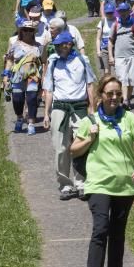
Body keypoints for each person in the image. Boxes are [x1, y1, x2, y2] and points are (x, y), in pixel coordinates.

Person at [71, 74, 134, 267]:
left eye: (118, 93)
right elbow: (73, 150)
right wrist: (89, 138)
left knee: (118, 234)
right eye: (110, 93)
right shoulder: (91, 121)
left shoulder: (130, 119)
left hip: (125, 186)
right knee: (100, 230)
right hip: (99, 184)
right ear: (101, 96)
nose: (115, 97)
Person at [43, 31, 96, 200]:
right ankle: (65, 184)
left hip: (79, 108)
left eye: (60, 45)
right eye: (56, 46)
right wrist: (46, 113)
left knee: (81, 146)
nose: (58, 48)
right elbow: (49, 90)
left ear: (69, 44)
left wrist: (92, 108)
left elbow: (90, 85)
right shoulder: (53, 62)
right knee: (60, 148)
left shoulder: (82, 60)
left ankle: (81, 183)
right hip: (59, 108)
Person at [2, 21, 43, 135]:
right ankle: (19, 118)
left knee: (32, 98)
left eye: (30, 30)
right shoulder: (15, 45)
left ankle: (31, 124)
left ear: (34, 32)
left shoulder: (39, 46)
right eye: (25, 30)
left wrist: (44, 78)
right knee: (17, 99)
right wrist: (6, 76)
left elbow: (44, 62)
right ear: (21, 31)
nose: (27, 32)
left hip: (33, 76)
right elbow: (9, 61)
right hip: (17, 76)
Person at [108, 3, 134, 109]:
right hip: (119, 57)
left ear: (129, 11)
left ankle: (127, 99)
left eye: (125, 11)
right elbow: (110, 41)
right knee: (123, 79)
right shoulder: (115, 25)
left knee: (131, 80)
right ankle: (124, 100)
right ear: (118, 12)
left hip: (133, 55)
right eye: (121, 11)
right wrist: (111, 56)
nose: (123, 13)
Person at [96, 3, 116, 76]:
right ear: (105, 12)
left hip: (116, 48)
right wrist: (98, 51)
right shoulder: (102, 22)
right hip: (104, 48)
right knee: (107, 71)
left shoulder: (117, 21)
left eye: (111, 12)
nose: (109, 14)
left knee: (118, 69)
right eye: (108, 13)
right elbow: (98, 38)